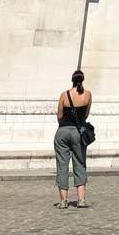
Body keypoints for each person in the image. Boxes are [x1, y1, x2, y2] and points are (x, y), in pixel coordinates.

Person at [53, 69, 92, 209]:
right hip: (78, 132)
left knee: (62, 165)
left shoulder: (64, 95)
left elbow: (59, 115)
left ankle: (63, 201)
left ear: (72, 80)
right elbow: (86, 115)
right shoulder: (87, 95)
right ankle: (81, 200)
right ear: (82, 80)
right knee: (80, 164)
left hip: (62, 131)